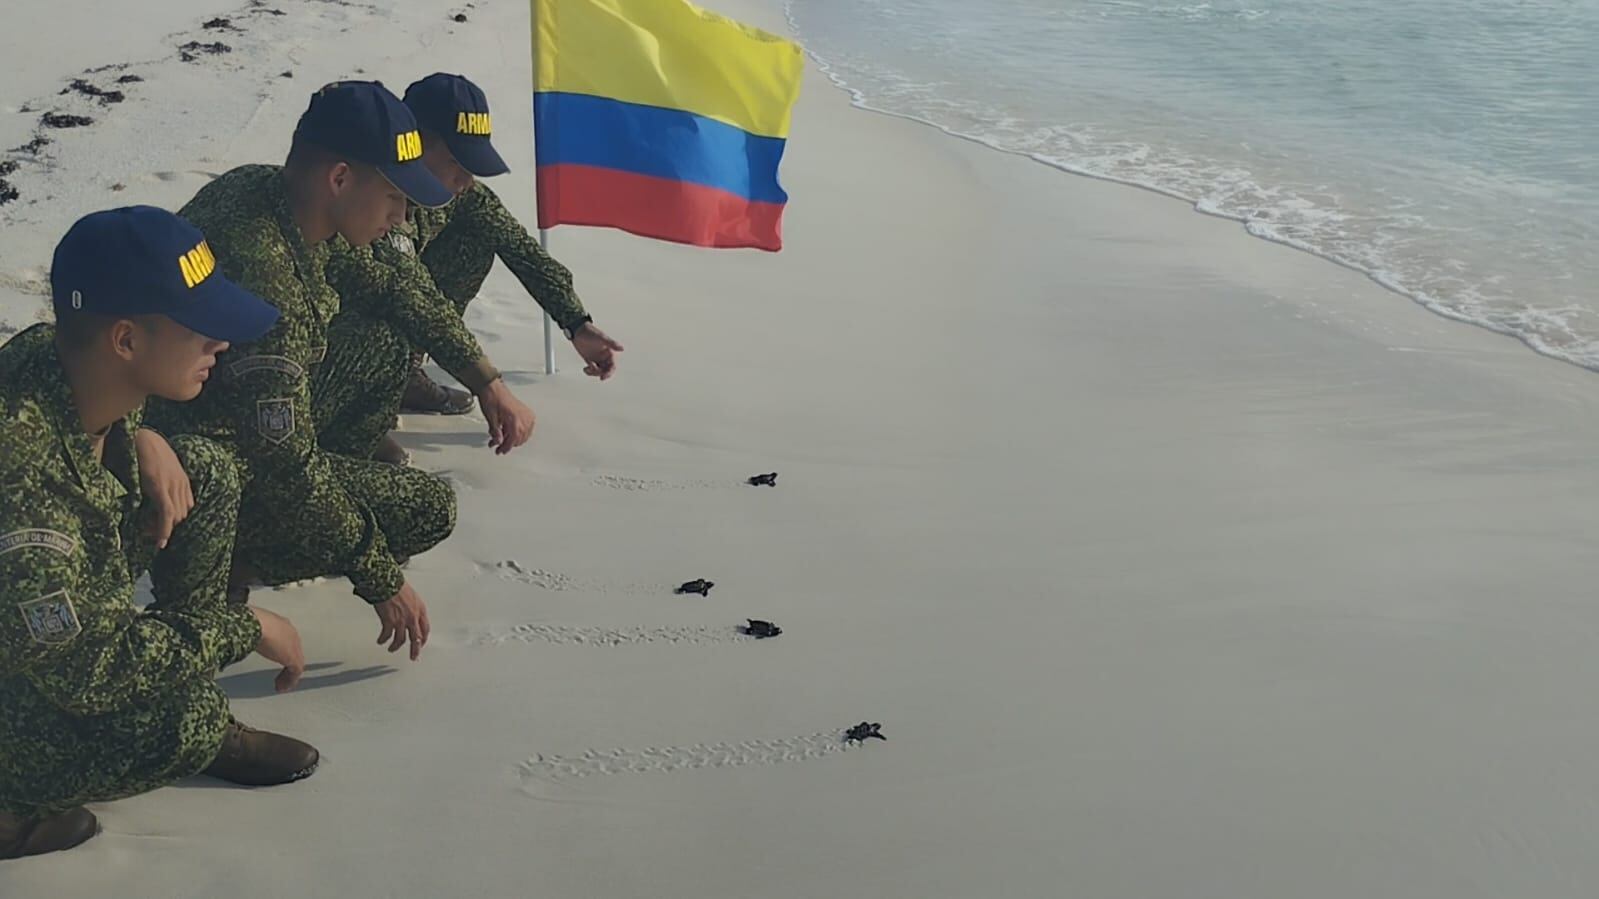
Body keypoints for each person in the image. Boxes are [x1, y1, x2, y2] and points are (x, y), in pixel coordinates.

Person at [0, 207, 318, 860]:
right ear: (125, 340)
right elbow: (82, 672)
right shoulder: (25, 486)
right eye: (199, 326)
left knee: (202, 471)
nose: (220, 343)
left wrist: (137, 433)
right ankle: (10, 808)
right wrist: (242, 627)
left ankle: (175, 671)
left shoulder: (58, 355)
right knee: (184, 724)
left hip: (36, 617)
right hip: (41, 667)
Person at [145, 82, 457, 662]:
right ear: (339, 179)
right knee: (429, 509)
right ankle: (225, 563)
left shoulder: (268, 193)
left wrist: (484, 376)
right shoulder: (268, 280)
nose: (402, 217)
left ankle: (265, 538)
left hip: (201, 430)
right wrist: (378, 576)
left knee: (383, 343)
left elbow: (390, 287)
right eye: (393, 196)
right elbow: (286, 467)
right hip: (200, 475)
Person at [320, 72, 622, 464]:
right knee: (391, 316)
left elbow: (520, 249)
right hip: (332, 337)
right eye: (456, 162)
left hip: (398, 297)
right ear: (414, 140)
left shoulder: (459, 194)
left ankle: (403, 376)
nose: (465, 179)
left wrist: (576, 322)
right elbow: (411, 295)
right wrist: (487, 382)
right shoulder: (369, 196)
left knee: (476, 242)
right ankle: (350, 420)